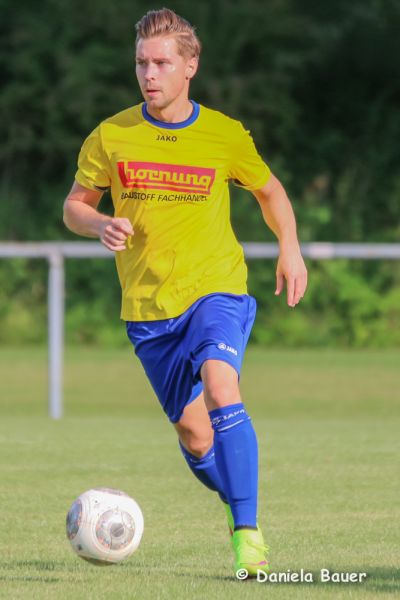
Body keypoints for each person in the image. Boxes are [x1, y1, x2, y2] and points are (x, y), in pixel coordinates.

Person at [63, 8, 308, 579]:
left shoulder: (224, 134)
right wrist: (100, 224)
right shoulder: (112, 135)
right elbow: (74, 207)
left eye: (162, 63)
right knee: (197, 438)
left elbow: (270, 192)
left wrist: (290, 248)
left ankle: (247, 533)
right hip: (149, 310)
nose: (149, 74)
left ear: (190, 66)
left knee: (222, 387)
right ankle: (234, 495)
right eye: (141, 63)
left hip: (216, 289)